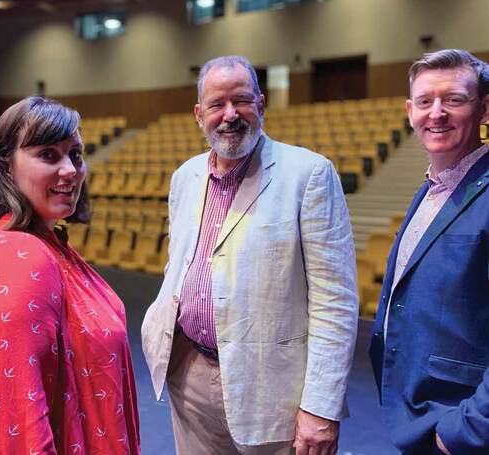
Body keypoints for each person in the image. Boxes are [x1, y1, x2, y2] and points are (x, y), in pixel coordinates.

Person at [141, 55, 359, 455]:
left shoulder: (308, 174)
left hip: (273, 390)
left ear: (261, 103)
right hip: (189, 377)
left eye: (241, 101)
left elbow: (335, 302)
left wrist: (321, 407)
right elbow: (182, 263)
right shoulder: (185, 177)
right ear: (198, 114)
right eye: (216, 104)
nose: (230, 115)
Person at [0, 96, 141, 454]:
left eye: (75, 155)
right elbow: (15, 431)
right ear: (6, 168)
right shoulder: (17, 256)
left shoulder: (47, 244)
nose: (70, 170)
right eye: (48, 154)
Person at [369, 49, 489, 454]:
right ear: (409, 111)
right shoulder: (430, 190)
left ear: (485, 108)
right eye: (424, 101)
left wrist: (465, 431)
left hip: (461, 426)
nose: (436, 113)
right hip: (418, 413)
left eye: (454, 99)